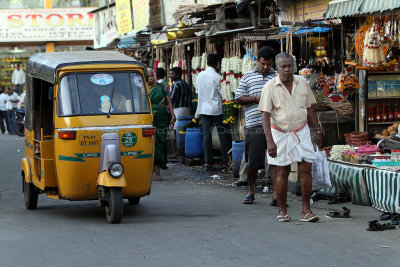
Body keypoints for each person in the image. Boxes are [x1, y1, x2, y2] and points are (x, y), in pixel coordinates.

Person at [259, 52, 322, 222]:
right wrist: (269, 141)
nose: (287, 69)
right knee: (283, 170)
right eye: (283, 67)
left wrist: (317, 130)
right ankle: (282, 211)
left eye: (289, 66)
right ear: (277, 68)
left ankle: (306, 210)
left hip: (301, 131)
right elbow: (265, 116)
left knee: (305, 168)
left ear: (293, 66)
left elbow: (309, 108)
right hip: (279, 133)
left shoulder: (302, 83)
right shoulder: (270, 86)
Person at [235, 46, 278, 205]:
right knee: (253, 162)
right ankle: (251, 190)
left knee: (276, 161)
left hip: (276, 125)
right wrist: (257, 98)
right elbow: (238, 98)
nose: (266, 67)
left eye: (269, 64)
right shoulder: (247, 77)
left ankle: (276, 195)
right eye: (263, 64)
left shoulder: (277, 77)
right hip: (255, 124)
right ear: (257, 61)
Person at [196, 54, 231, 171]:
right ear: (216, 64)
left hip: (204, 109)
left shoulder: (199, 76)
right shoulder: (217, 77)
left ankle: (208, 162)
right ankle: (226, 161)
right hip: (216, 109)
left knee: (206, 135)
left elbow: (197, 91)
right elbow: (222, 93)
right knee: (222, 134)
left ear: (206, 62)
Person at [147, 68, 176, 180]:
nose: (151, 78)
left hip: (162, 118)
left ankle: (158, 171)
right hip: (149, 119)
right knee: (150, 145)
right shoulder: (142, 89)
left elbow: (169, 102)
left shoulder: (162, 87)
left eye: (152, 76)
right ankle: (150, 169)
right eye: (148, 76)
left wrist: (173, 116)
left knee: (160, 143)